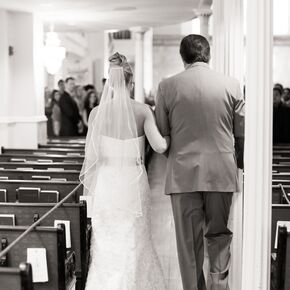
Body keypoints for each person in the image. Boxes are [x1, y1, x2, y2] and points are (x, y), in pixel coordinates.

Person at [155, 34, 245, 290]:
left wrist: (178, 156)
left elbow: (163, 136)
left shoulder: (167, 86)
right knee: (219, 235)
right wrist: (236, 161)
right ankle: (219, 287)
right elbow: (240, 132)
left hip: (183, 174)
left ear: (182, 57)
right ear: (209, 54)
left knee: (188, 244)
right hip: (222, 172)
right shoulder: (232, 84)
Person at [80, 52, 170, 290]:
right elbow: (160, 146)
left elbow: (92, 156)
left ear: (110, 82)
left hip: (107, 183)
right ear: (131, 83)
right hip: (132, 182)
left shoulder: (96, 114)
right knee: (134, 238)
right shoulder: (142, 111)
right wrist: (170, 133)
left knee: (107, 242)